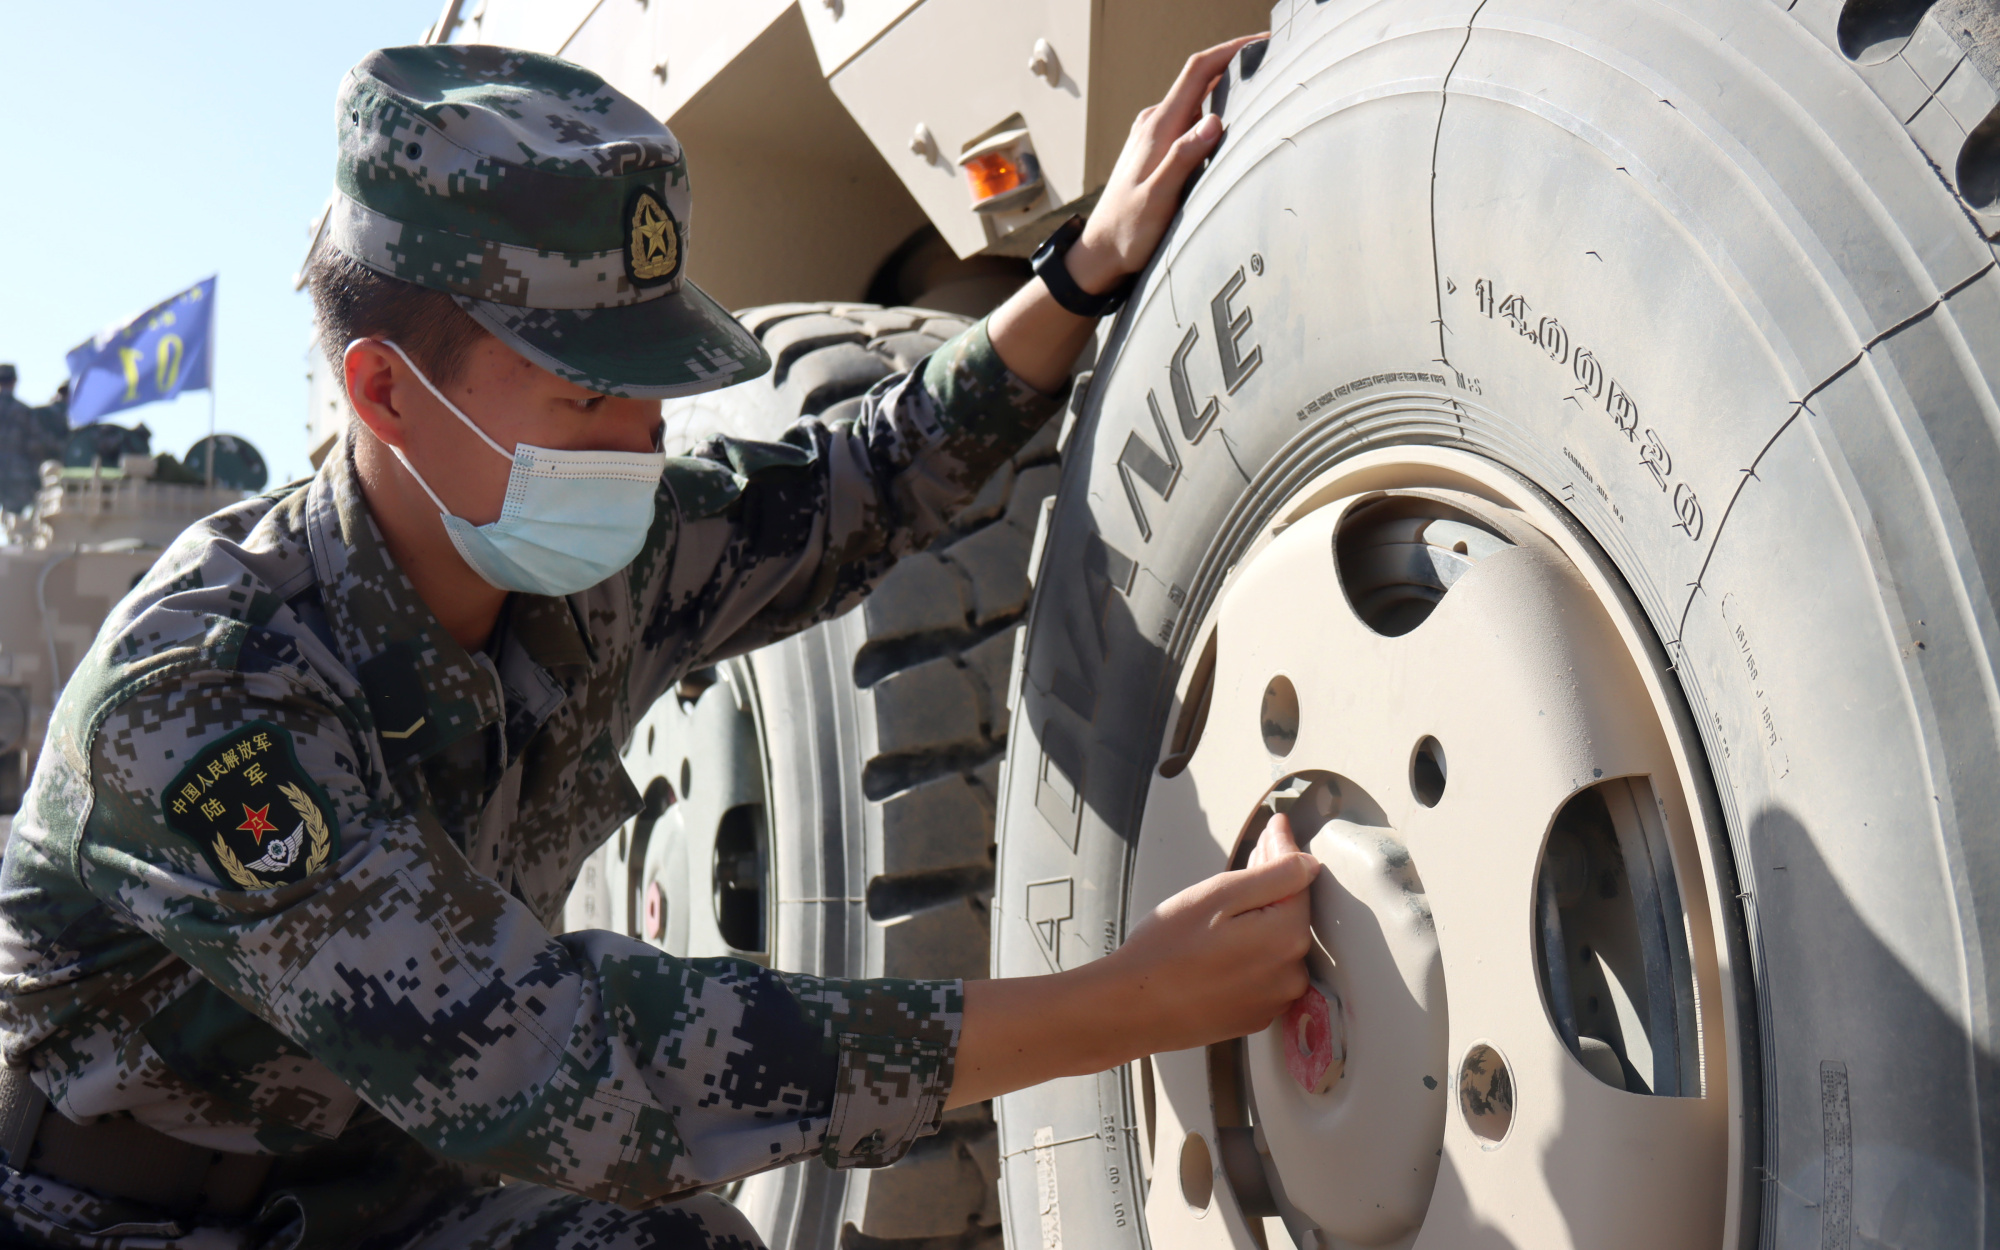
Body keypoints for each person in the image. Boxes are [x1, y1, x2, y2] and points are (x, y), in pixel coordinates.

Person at [0, 38, 1313, 1249]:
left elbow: (853, 487)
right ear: (386, 390)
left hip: (387, 1193)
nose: (644, 443)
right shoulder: (200, 700)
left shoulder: (587, 553)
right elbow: (548, 1056)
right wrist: (1122, 1005)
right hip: (110, 1219)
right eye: (586, 394)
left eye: (652, 391)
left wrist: (1075, 278)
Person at [0, 366, 67, 515]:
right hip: (17, 474)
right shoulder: (23, 411)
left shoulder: (23, 411)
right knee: (15, 520)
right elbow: (37, 443)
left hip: (16, 473)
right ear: (14, 381)